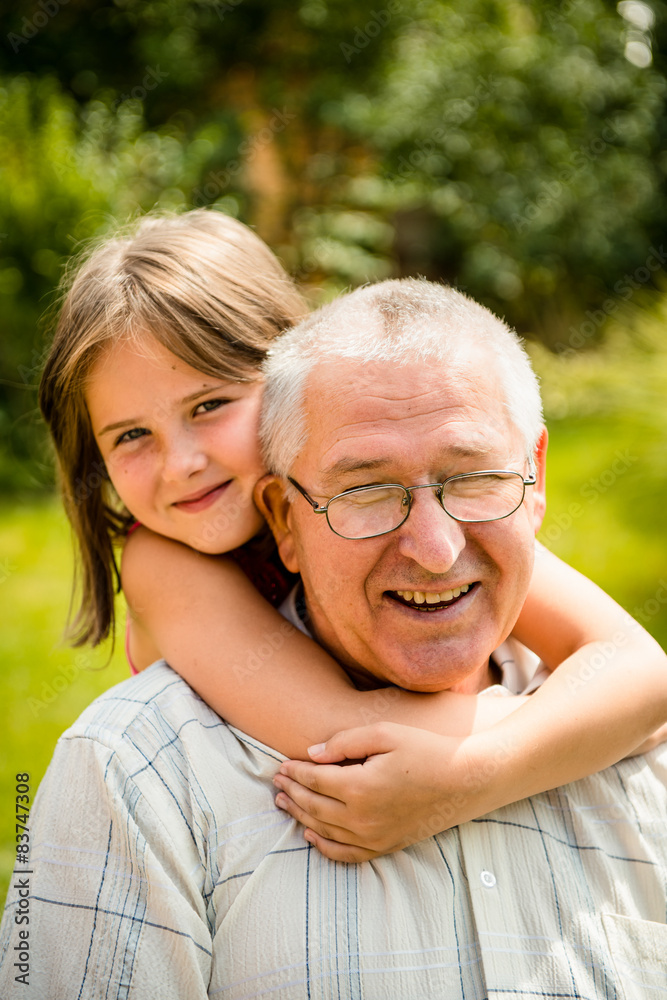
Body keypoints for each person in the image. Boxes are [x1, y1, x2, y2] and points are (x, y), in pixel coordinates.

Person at [1, 275, 665, 997]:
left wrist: (496, 751)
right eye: (365, 491)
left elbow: (636, 669)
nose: (183, 461)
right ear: (283, 513)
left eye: (210, 406)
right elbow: (343, 738)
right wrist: (508, 743)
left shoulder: (462, 528)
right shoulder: (158, 605)